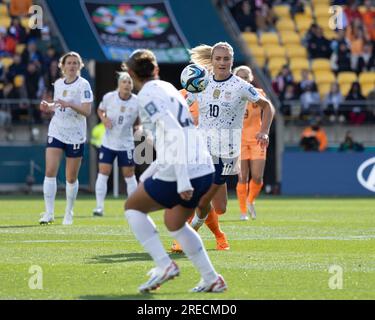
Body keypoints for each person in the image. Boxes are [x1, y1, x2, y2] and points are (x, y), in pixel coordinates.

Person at [123, 49, 227, 293]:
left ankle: (164, 265)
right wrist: (149, 174)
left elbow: (175, 134)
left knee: (133, 208)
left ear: (130, 73)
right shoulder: (169, 88)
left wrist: (182, 181)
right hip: (203, 165)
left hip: (184, 168)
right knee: (175, 222)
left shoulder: (146, 96)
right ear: (156, 69)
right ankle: (212, 279)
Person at [173, 42, 275, 252]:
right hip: (202, 148)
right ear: (211, 61)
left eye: (226, 59)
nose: (222, 63)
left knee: (219, 207)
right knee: (198, 195)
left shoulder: (241, 86)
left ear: (231, 60)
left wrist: (264, 130)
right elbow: (184, 102)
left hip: (226, 152)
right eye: (218, 59)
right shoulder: (201, 83)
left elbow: (268, 106)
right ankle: (186, 237)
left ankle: (219, 235)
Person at [38, 51, 93, 225]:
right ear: (62, 66)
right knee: (50, 172)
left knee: (70, 178)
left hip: (76, 134)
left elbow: (86, 111)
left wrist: (70, 104)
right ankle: (49, 213)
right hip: (57, 130)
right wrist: (49, 106)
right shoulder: (59, 84)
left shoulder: (84, 85)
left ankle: (69, 212)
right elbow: (58, 105)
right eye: (69, 63)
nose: (72, 66)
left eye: (75, 63)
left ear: (79, 66)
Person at [92, 72, 139, 216]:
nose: (127, 85)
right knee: (103, 171)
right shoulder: (109, 97)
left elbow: (140, 119)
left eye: (129, 82)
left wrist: (139, 128)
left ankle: (133, 207)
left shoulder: (137, 101)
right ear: (119, 84)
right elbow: (100, 110)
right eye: (124, 82)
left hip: (126, 143)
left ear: (132, 85)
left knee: (129, 174)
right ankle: (99, 207)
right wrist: (104, 119)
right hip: (109, 142)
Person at [234, 65, 267, 221]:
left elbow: (268, 110)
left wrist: (265, 131)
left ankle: (250, 200)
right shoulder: (231, 95)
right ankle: (242, 212)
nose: (243, 79)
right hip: (239, 141)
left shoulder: (259, 94)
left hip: (256, 140)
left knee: (258, 177)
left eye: (246, 77)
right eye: (239, 77)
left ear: (251, 78)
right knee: (242, 177)